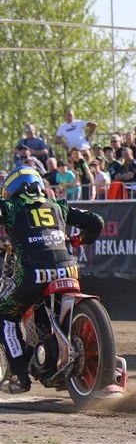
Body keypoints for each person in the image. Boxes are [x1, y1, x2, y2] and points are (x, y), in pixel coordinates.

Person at [0, 168, 103, 394]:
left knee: (6, 315)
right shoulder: (58, 205)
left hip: (34, 273)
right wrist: (78, 240)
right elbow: (96, 222)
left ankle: (19, 375)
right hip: (70, 270)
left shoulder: (10, 207)